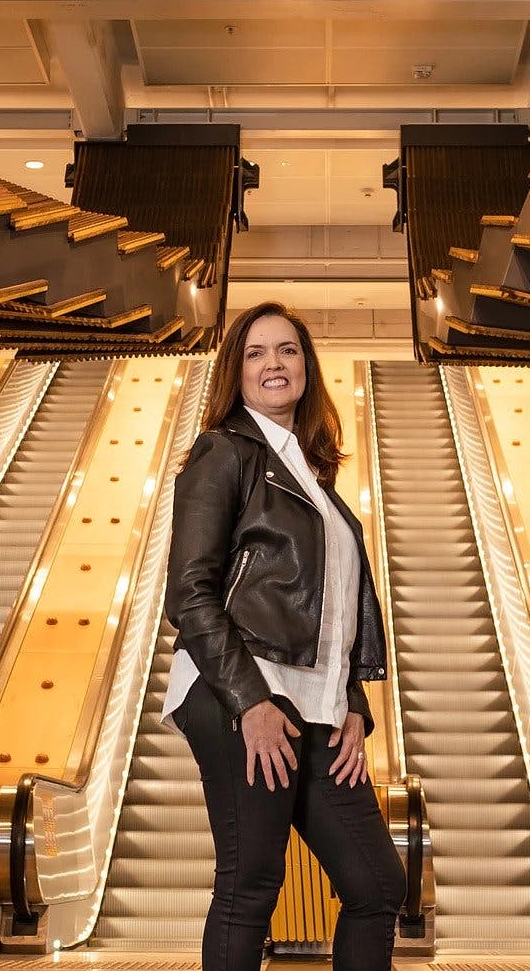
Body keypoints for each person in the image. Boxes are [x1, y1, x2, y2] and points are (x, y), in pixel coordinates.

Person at [162, 301, 405, 970]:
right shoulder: (224, 452)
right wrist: (250, 701)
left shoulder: (314, 477)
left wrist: (352, 705)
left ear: (307, 365)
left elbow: (333, 616)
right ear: (235, 374)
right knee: (252, 880)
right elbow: (189, 590)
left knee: (377, 882)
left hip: (309, 703)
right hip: (238, 689)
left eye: (288, 350)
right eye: (257, 352)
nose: (275, 363)